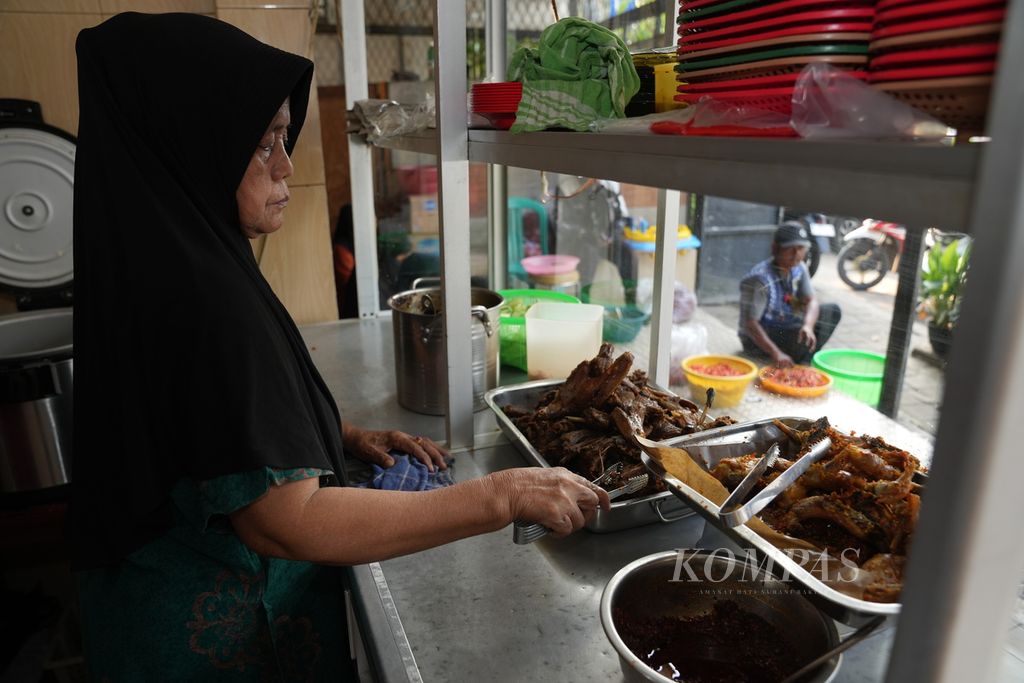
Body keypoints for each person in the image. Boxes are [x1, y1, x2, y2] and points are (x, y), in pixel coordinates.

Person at [70, 13, 608, 681]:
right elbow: (286, 522)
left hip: (136, 608)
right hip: (213, 641)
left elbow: (202, 426)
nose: (288, 164)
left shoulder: (154, 253)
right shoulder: (202, 299)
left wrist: (333, 432)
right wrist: (500, 495)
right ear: (195, 138)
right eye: (265, 143)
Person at [738, 221, 842, 366]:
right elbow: (751, 325)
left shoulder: (799, 268)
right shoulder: (759, 279)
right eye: (790, 249)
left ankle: (804, 361)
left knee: (832, 311)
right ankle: (793, 357)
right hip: (759, 338)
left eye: (801, 248)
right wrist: (776, 353)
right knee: (797, 336)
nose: (796, 254)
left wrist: (808, 326)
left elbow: (811, 300)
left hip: (785, 324)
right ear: (775, 249)